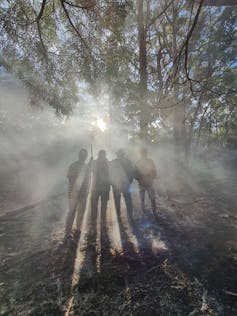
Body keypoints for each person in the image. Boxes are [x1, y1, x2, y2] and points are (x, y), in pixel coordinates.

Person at [65, 148, 91, 238]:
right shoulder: (73, 165)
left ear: (86, 157)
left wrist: (87, 189)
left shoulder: (87, 167)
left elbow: (88, 179)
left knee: (81, 212)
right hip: (73, 193)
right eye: (82, 155)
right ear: (79, 155)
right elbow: (69, 178)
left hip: (83, 193)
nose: (83, 156)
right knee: (71, 212)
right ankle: (67, 232)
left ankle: (78, 229)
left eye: (84, 155)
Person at [110, 149, 134, 224]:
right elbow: (131, 173)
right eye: (119, 154)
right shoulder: (127, 162)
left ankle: (121, 217)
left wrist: (129, 181)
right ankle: (128, 217)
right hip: (121, 184)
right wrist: (129, 181)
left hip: (120, 184)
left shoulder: (114, 162)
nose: (120, 155)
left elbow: (131, 173)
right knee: (126, 200)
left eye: (120, 154)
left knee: (121, 201)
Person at [91, 150, 110, 240]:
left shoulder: (107, 163)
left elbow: (111, 175)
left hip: (105, 188)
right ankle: (93, 225)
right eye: (100, 154)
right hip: (95, 188)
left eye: (103, 154)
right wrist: (90, 162)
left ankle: (103, 223)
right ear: (98, 155)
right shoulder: (94, 162)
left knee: (103, 207)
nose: (101, 156)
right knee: (94, 207)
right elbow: (89, 169)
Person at [134, 147, 158, 219]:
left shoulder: (138, 162)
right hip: (148, 183)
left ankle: (144, 211)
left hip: (143, 183)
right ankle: (154, 212)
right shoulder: (150, 161)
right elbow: (154, 171)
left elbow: (135, 174)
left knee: (143, 198)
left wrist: (139, 179)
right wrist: (152, 178)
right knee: (152, 198)